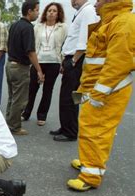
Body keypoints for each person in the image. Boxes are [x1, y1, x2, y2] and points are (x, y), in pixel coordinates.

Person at [67, 0, 134, 191]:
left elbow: (118, 64)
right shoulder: (113, 21)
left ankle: (90, 175)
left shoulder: (123, 23)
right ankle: (88, 161)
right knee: (91, 128)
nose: (95, 3)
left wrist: (99, 93)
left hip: (108, 91)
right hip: (100, 89)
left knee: (98, 131)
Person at [50, 0, 99, 142]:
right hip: (71, 59)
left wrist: (73, 60)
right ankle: (65, 126)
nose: (73, 1)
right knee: (66, 96)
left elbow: (85, 39)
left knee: (70, 97)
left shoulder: (88, 11)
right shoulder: (81, 12)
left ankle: (70, 131)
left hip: (76, 60)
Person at [21, 2, 67, 126]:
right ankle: (26, 112)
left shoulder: (63, 27)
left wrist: (62, 62)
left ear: (58, 14)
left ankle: (42, 116)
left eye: (54, 11)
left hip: (54, 62)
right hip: (38, 61)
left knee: (47, 90)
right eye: (49, 10)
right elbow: (33, 45)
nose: (51, 13)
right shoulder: (38, 26)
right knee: (32, 88)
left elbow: (64, 46)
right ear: (45, 13)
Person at [5, 0, 44, 135]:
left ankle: (9, 123)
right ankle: (14, 127)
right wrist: (39, 70)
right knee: (19, 99)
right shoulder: (27, 28)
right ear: (30, 11)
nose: (38, 13)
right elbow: (30, 51)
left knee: (12, 97)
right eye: (37, 10)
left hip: (10, 64)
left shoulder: (14, 25)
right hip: (20, 67)